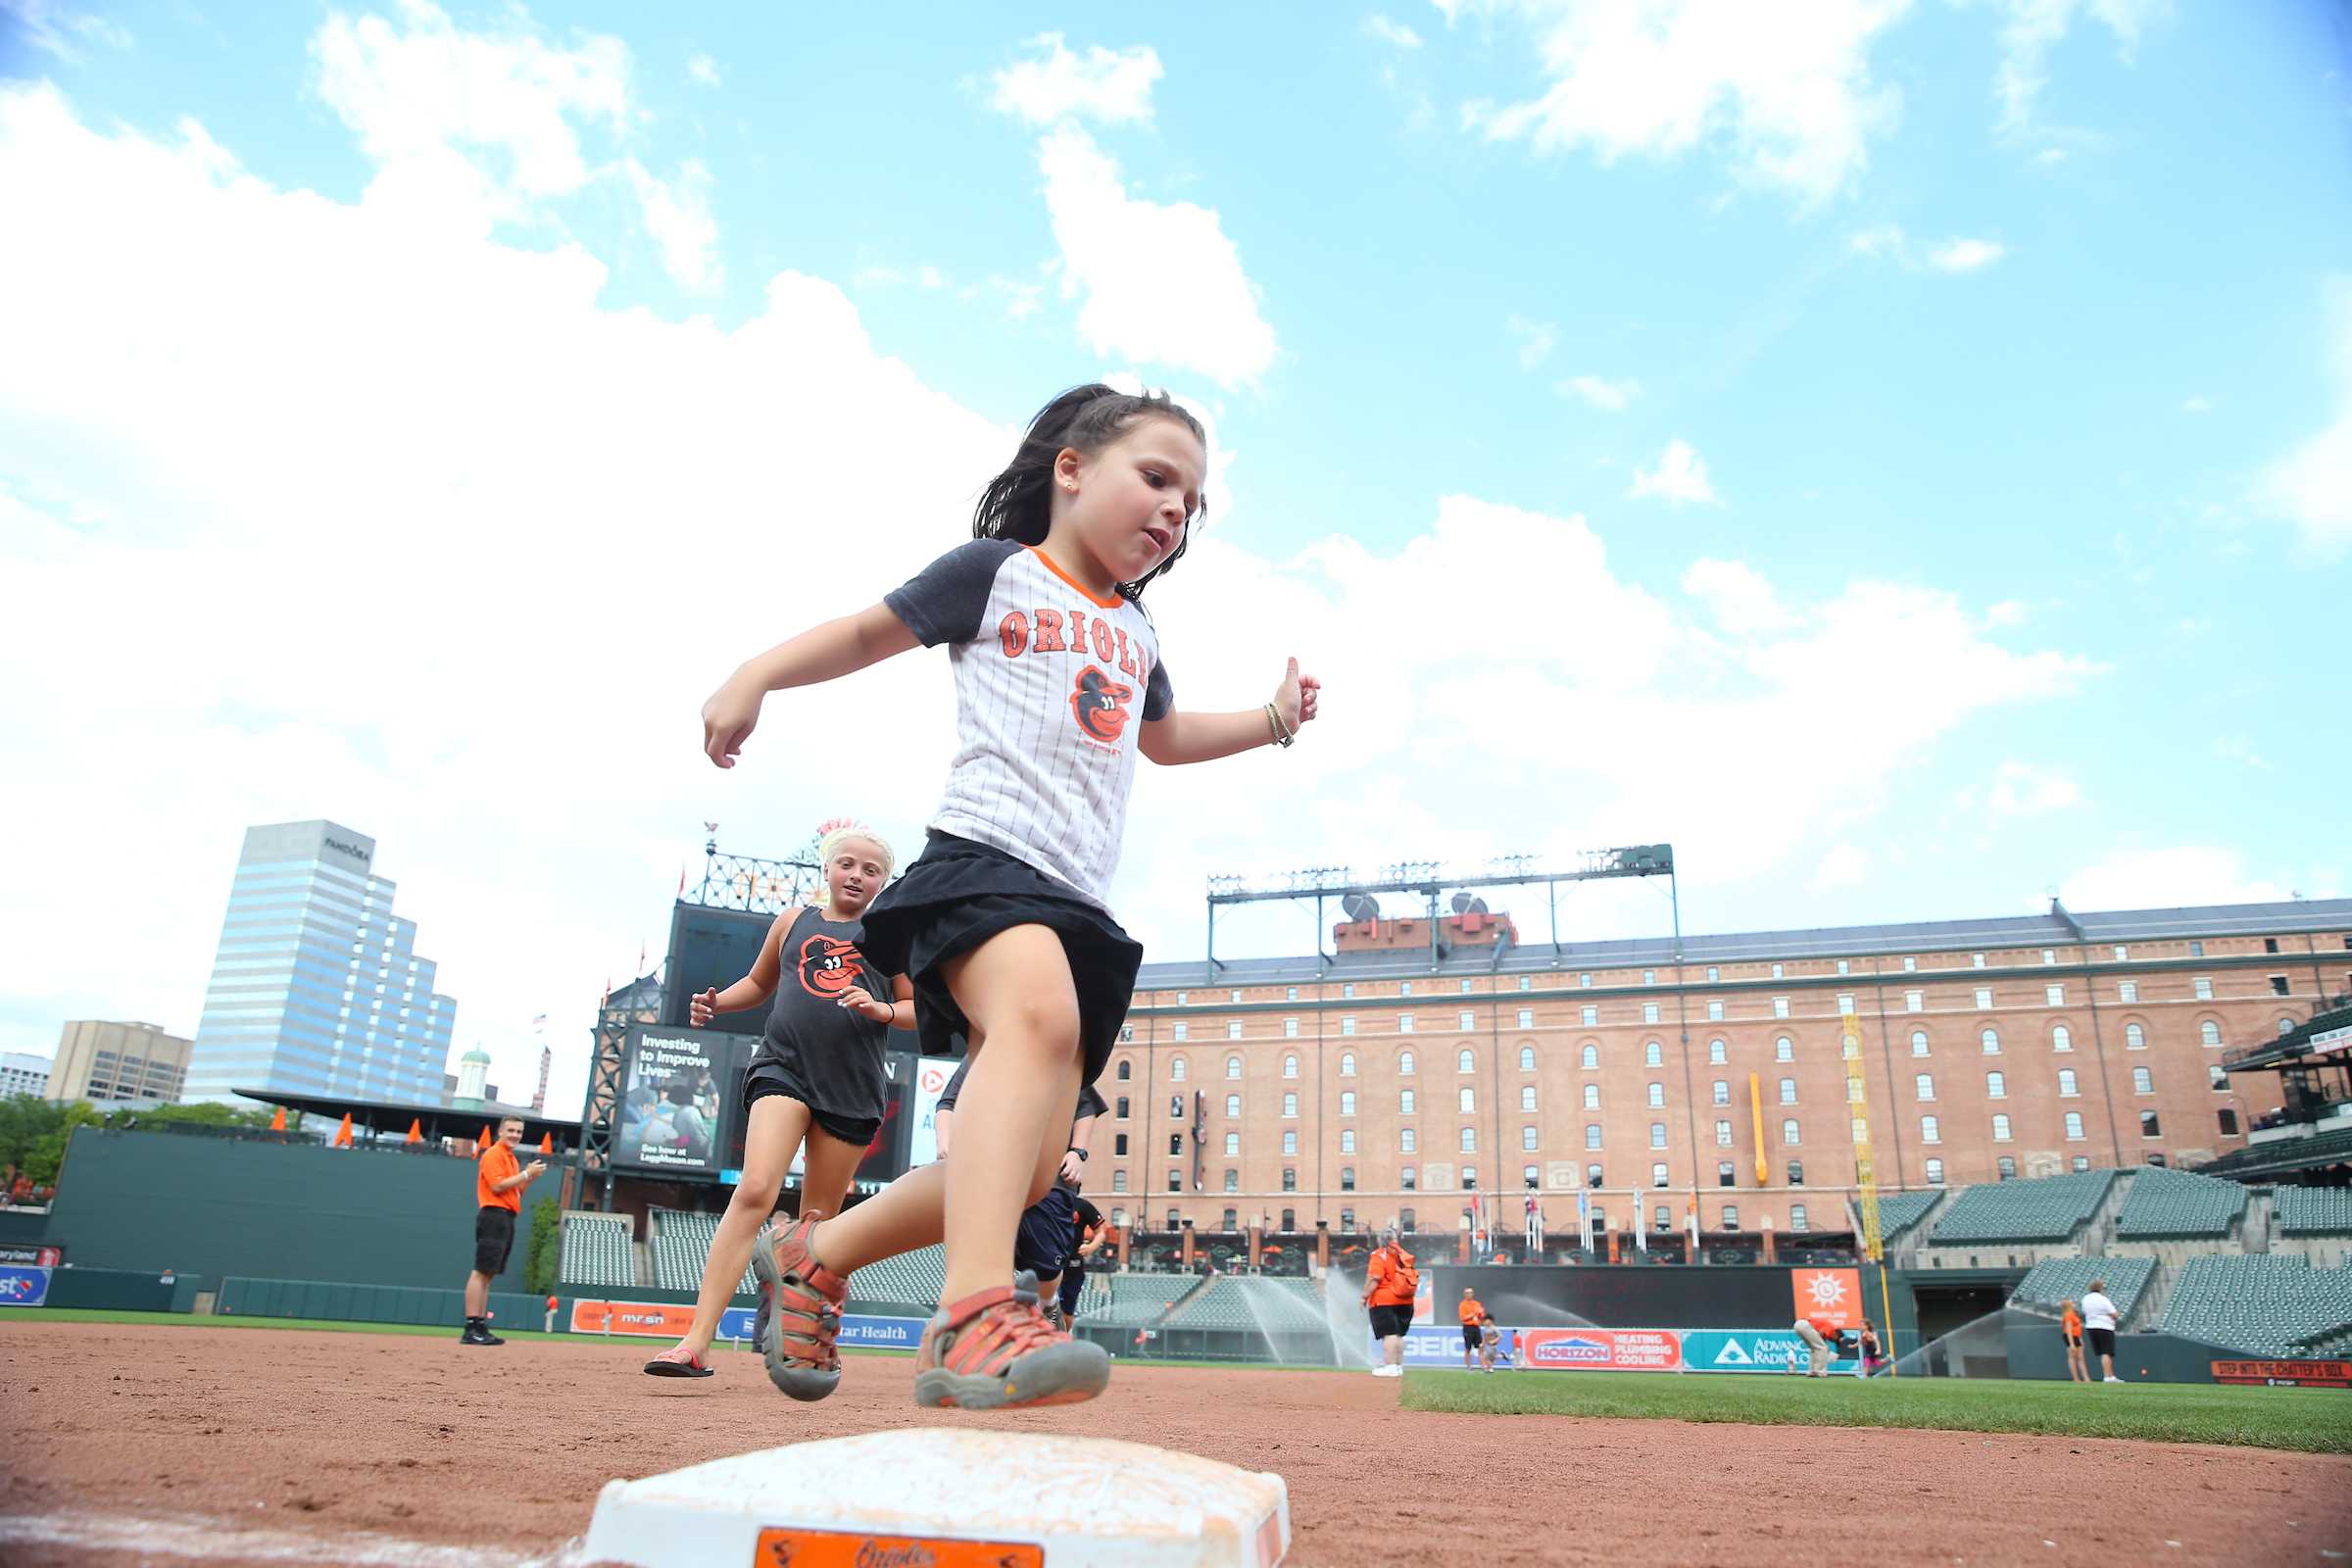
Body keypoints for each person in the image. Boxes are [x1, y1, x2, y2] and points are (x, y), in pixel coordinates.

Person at [700, 384, 1318, 1410]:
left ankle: (817, 1252)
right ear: (1072, 470)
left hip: (1076, 909)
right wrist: (754, 674)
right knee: (1037, 1016)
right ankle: (975, 1312)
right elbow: (864, 633)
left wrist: (1272, 717)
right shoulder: (996, 574)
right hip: (981, 866)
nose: (1174, 511)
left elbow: (1163, 740)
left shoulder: (1138, 630)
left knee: (1027, 1174)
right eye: (1157, 478)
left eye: (1192, 504)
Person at [645, 822, 915, 1388]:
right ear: (828, 869)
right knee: (756, 1188)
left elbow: (921, 1011)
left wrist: (881, 1010)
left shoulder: (893, 936)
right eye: (848, 864)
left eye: (871, 870)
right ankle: (695, 1342)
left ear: (883, 882)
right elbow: (758, 984)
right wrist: (718, 1002)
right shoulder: (793, 921)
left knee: (816, 1232)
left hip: (852, 1087)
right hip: (783, 1067)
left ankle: (804, 1342)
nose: (857, 876)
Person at [932, 1050, 1105, 1333]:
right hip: (990, 1177)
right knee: (987, 1257)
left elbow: (1085, 1107)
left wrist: (1077, 1152)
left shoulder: (1057, 1047)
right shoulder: (980, 1054)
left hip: (1048, 1178)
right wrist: (945, 1142)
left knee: (1046, 1270)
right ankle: (994, 1330)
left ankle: (1048, 1304)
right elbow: (947, 1104)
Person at [462, 1116, 544, 1346]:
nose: (515, 1135)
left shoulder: (510, 1158)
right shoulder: (493, 1154)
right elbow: (497, 1186)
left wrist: (528, 1178)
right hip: (493, 1215)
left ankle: (480, 1325)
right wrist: (526, 1174)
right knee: (480, 1271)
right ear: (500, 1131)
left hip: (506, 1215)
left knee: (488, 1274)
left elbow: (515, 1192)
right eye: (511, 1130)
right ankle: (470, 1327)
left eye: (519, 1131)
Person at [1363, 1226, 1418, 1378]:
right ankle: (1398, 1366)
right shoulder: (1403, 1255)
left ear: (1381, 1241)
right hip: (1406, 1301)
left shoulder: (1379, 1255)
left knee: (1389, 1334)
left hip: (1384, 1301)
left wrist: (1364, 1296)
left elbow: (1375, 1277)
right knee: (1399, 1334)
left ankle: (1390, 1366)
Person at [2080, 1278, 2124, 1383]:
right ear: (2100, 1288)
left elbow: (2084, 1311)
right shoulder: (2102, 1299)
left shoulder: (2085, 1298)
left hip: (2091, 1326)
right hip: (2104, 1327)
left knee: (2103, 1352)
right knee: (2106, 1352)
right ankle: (2108, 1376)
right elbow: (2114, 1314)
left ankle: (2109, 1375)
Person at [1789, 1313, 1839, 1377]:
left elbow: (1819, 1341)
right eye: (1836, 1340)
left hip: (1797, 1325)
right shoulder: (1831, 1327)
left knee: (1814, 1349)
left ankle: (1811, 1371)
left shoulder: (1828, 1334)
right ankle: (1819, 1371)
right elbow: (1821, 1333)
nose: (1833, 1341)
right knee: (1823, 1348)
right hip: (1804, 1325)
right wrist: (1827, 1351)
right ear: (1836, 1334)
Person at [1456, 1286, 1484, 1369]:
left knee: (1480, 1347)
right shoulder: (1462, 1305)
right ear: (1464, 1294)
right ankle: (1469, 1367)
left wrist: (1480, 1313)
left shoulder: (1477, 1303)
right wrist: (1473, 1314)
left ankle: (1483, 1366)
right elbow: (1462, 1318)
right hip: (1468, 1327)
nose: (1469, 1294)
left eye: (1471, 1292)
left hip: (1476, 1327)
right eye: (1467, 1293)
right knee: (1468, 1348)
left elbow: (1481, 1315)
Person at [2061, 1297, 2087, 1384]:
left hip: (2076, 1336)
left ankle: (2086, 1378)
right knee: (2072, 1357)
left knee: (2080, 1357)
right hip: (2071, 1337)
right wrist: (2072, 1344)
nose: (2075, 1304)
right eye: (2072, 1303)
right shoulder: (2068, 1315)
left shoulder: (2073, 1313)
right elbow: (2068, 1330)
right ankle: (2076, 1378)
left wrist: (2080, 1339)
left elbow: (2076, 1328)